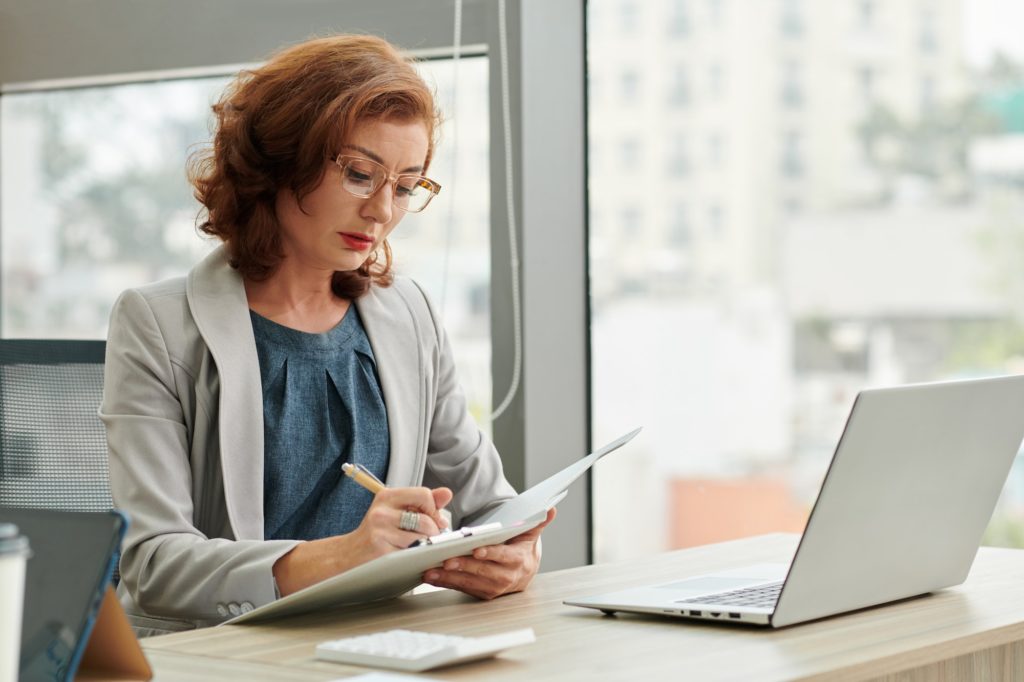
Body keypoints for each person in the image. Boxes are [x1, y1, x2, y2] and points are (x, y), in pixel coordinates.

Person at [100, 34, 554, 637]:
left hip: (378, 648)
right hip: (226, 658)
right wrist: (345, 555)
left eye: (405, 186)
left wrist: (517, 556)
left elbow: (492, 504)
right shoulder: (156, 323)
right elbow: (153, 564)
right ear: (281, 161)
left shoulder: (408, 314)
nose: (382, 212)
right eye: (361, 174)